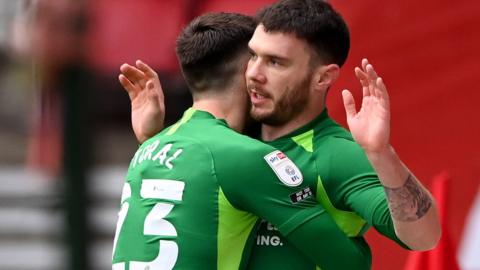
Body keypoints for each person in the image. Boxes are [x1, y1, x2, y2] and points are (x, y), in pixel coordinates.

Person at [121, 1, 441, 268]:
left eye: (275, 62)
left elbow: (424, 238)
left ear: (322, 78)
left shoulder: (334, 154)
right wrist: (154, 141)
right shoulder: (236, 144)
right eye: (253, 56)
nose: (254, 74)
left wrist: (380, 153)